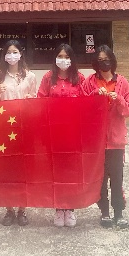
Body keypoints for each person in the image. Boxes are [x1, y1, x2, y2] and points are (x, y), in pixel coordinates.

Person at [82, 45, 129, 229]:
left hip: (115, 141)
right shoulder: (90, 82)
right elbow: (81, 107)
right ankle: (104, 212)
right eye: (100, 60)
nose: (103, 63)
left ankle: (119, 213)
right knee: (100, 179)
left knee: (117, 179)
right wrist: (94, 95)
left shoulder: (122, 82)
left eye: (106, 59)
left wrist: (118, 99)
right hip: (96, 141)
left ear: (112, 61)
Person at [38, 43, 85, 228]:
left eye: (66, 57)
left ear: (72, 59)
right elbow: (40, 102)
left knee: (71, 171)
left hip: (73, 133)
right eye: (60, 56)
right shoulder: (48, 78)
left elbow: (87, 103)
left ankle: (70, 208)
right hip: (53, 133)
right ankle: (58, 209)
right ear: (55, 58)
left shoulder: (79, 78)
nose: (63, 60)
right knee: (55, 172)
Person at [0, 39, 37, 226]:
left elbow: (36, 100)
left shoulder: (30, 76)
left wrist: (30, 98)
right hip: (4, 128)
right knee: (7, 169)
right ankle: (9, 209)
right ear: (4, 55)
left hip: (24, 127)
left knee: (24, 169)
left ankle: (22, 209)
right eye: (8, 52)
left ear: (21, 54)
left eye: (15, 52)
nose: (12, 55)